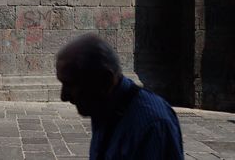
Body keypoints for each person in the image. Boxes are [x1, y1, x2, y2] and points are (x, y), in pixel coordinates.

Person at [56, 33, 184, 160]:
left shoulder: (153, 125)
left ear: (104, 81)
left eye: (70, 84)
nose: (64, 96)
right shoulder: (104, 107)